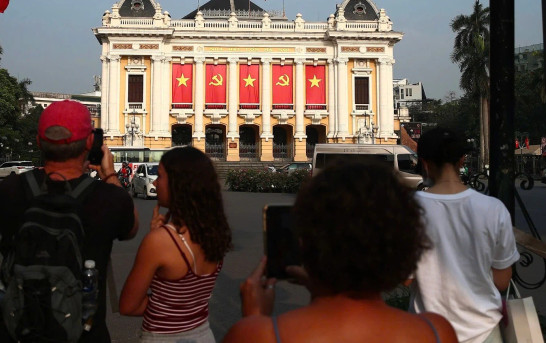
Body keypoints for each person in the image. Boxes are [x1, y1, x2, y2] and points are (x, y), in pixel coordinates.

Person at [224, 160, 458, 343]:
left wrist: (255, 319)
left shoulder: (260, 335)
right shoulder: (436, 332)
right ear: (406, 244)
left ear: (304, 242)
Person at [0, 99, 139, 343]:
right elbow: (132, 228)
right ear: (91, 142)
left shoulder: (10, 190)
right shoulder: (108, 198)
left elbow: (2, 228)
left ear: (39, 141)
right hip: (83, 334)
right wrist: (110, 175)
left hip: (14, 332)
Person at [409, 127, 520, 343]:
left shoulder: (408, 209)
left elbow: (405, 278)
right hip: (484, 332)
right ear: (462, 161)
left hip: (428, 332)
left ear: (424, 163)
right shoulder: (493, 209)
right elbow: (502, 280)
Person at [119, 146, 232, 343]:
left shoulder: (160, 242)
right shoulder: (215, 232)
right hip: (203, 334)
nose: (154, 181)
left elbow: (128, 305)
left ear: (178, 183)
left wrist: (167, 305)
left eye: (160, 176)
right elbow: (193, 293)